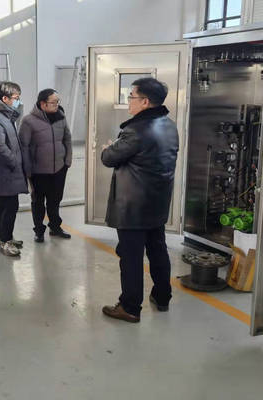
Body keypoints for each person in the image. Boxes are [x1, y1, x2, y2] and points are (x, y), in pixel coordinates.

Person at [100, 78, 178, 323]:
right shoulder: (169, 125)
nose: (128, 102)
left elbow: (109, 158)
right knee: (157, 250)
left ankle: (130, 307)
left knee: (131, 257)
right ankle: (162, 296)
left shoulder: (136, 130)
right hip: (157, 202)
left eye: (131, 97)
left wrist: (109, 148)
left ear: (145, 102)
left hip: (133, 206)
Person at [19, 89, 73, 243]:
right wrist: (28, 170)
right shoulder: (28, 121)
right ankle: (39, 230)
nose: (57, 105)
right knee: (38, 202)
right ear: (43, 104)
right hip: (38, 171)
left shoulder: (60, 117)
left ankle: (55, 227)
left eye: (57, 102)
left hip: (59, 168)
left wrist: (67, 161)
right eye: (53, 102)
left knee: (55, 200)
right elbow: (24, 147)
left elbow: (67, 139)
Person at [0, 81, 28, 257]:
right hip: (5, 171)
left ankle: (3, 238)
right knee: (9, 207)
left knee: (4, 205)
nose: (18, 101)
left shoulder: (3, 117)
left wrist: (16, 110)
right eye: (16, 98)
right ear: (5, 99)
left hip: (8, 170)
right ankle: (5, 241)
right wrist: (14, 162)